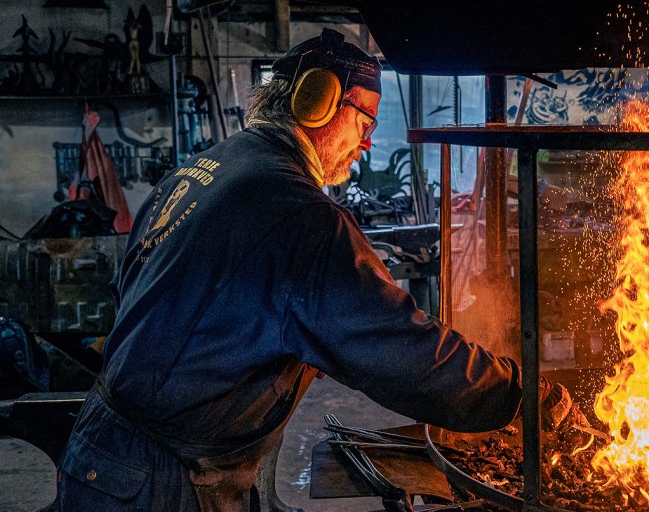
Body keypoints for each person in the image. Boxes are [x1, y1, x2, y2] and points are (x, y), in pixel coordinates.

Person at [57, 29, 581, 511]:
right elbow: (399, 349)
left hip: (101, 447)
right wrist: (518, 394)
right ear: (318, 100)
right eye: (366, 121)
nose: (368, 141)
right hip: (156, 483)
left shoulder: (203, 169)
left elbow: (135, 292)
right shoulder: (299, 215)